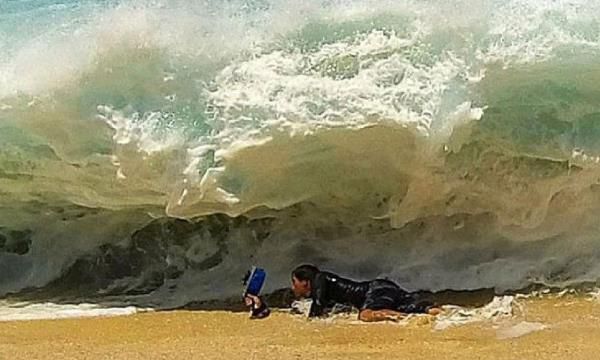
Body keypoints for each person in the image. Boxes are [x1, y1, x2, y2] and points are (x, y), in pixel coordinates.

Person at [290, 264, 441, 322]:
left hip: (374, 290)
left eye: (294, 282)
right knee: (415, 307)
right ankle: (439, 312)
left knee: (365, 315)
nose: (293, 287)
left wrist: (309, 324)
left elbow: (318, 305)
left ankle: (405, 319)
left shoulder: (320, 279)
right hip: (380, 287)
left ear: (305, 282)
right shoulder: (324, 281)